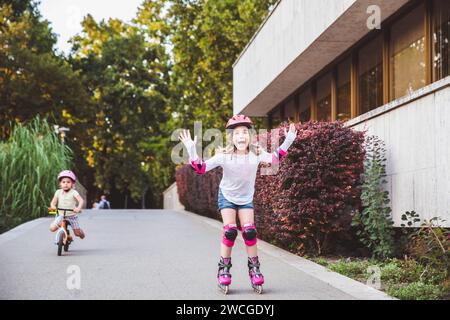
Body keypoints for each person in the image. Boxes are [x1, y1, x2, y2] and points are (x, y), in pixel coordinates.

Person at [179, 115, 297, 293]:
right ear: (232, 138)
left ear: (249, 135)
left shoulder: (256, 154)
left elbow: (274, 159)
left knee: (249, 232)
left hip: (245, 199)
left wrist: (288, 140)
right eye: (237, 133)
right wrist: (191, 150)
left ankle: (254, 269)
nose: (241, 136)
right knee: (230, 231)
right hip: (226, 196)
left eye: (244, 132)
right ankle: (223, 269)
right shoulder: (224, 156)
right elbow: (200, 168)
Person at [49, 170, 85, 239]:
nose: (66, 184)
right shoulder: (58, 192)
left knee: (77, 233)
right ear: (60, 184)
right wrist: (53, 207)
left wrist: (78, 208)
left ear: (72, 184)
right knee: (52, 228)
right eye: (63, 182)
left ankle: (80, 232)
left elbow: (81, 200)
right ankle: (62, 228)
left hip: (72, 215)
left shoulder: (74, 192)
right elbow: (53, 203)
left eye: (68, 182)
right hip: (61, 215)